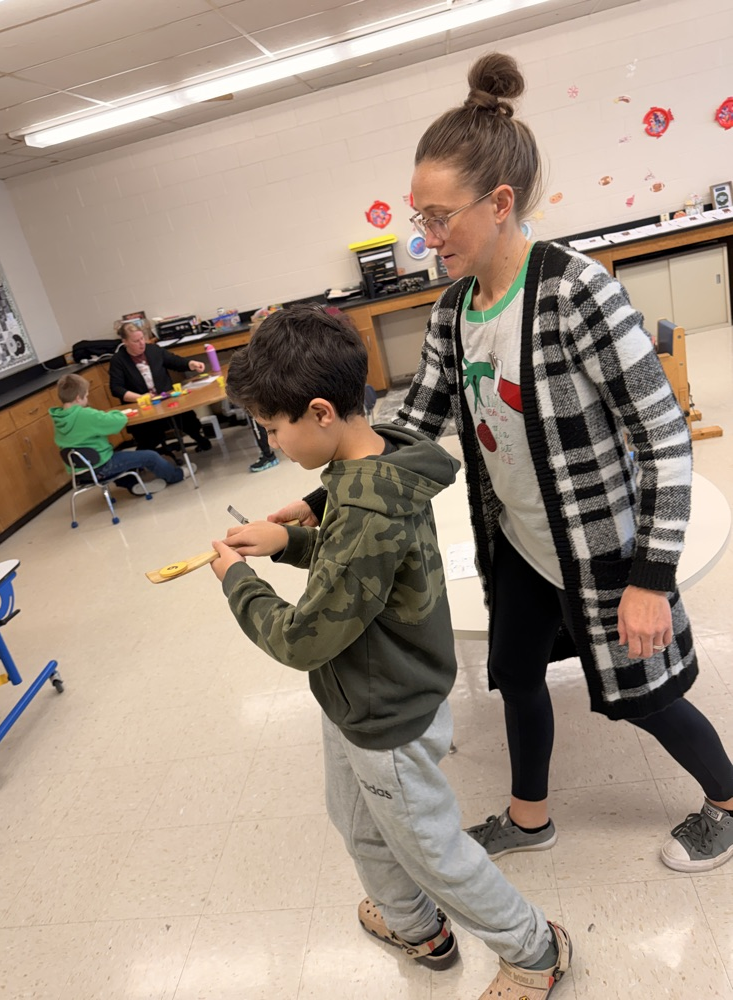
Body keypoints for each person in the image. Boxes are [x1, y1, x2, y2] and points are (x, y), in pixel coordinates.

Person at [271, 51, 733, 876]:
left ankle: (730, 803)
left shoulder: (575, 293)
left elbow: (663, 436)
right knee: (516, 673)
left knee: (645, 697)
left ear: (501, 202)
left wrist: (651, 579)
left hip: (603, 550)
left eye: (440, 217)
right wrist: (314, 506)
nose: (428, 237)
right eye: (420, 217)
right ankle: (530, 818)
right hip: (518, 541)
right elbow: (411, 429)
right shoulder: (453, 313)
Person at [208, 304, 572, 999]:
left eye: (273, 428)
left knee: (432, 849)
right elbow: (367, 576)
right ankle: (417, 927)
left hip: (385, 709)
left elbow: (303, 635)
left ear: (319, 413)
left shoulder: (369, 506)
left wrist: (239, 584)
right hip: (356, 693)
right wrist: (292, 542)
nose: (272, 441)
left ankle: (533, 948)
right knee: (355, 822)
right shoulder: (377, 458)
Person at [50, 373, 194, 492]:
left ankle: (132, 485)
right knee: (150, 456)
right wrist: (120, 414)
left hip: (80, 471)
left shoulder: (59, 418)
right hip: (100, 467)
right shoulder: (84, 414)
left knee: (121, 456)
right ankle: (176, 475)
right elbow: (114, 423)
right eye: (86, 396)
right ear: (78, 397)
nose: (87, 400)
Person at [109, 321, 212, 454]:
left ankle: (199, 438)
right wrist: (140, 397)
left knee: (187, 418)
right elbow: (116, 388)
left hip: (166, 399)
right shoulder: (118, 360)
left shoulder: (153, 350)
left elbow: (174, 361)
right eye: (136, 341)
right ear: (125, 342)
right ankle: (143, 457)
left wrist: (191, 364)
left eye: (142, 338)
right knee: (149, 437)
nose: (141, 343)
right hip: (143, 406)